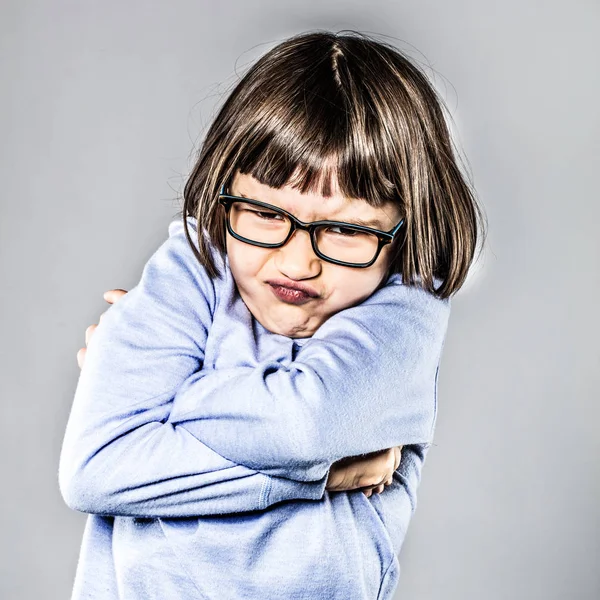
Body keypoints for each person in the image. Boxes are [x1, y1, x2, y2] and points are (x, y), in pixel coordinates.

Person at [59, 30, 485, 600]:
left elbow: (304, 424)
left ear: (404, 229)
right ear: (223, 193)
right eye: (263, 213)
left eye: (344, 229)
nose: (296, 261)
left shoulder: (405, 308)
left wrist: (175, 397)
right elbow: (95, 468)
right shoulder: (197, 261)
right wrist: (322, 472)